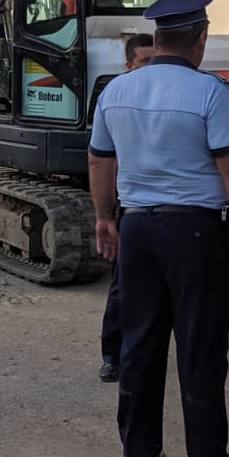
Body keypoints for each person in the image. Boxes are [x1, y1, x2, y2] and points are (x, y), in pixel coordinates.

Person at [88, 0, 229, 457]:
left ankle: (139, 455)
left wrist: (104, 218)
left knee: (139, 344)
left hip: (137, 229)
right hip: (195, 233)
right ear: (200, 39)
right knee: (200, 349)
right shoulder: (210, 93)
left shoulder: (115, 91)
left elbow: (100, 160)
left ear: (156, 39)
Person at [98, 32, 156, 383]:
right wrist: (105, 214)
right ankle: (113, 357)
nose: (151, 68)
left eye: (155, 60)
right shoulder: (116, 99)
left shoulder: (172, 96)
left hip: (170, 209)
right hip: (131, 207)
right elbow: (102, 158)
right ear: (129, 65)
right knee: (123, 286)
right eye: (145, 62)